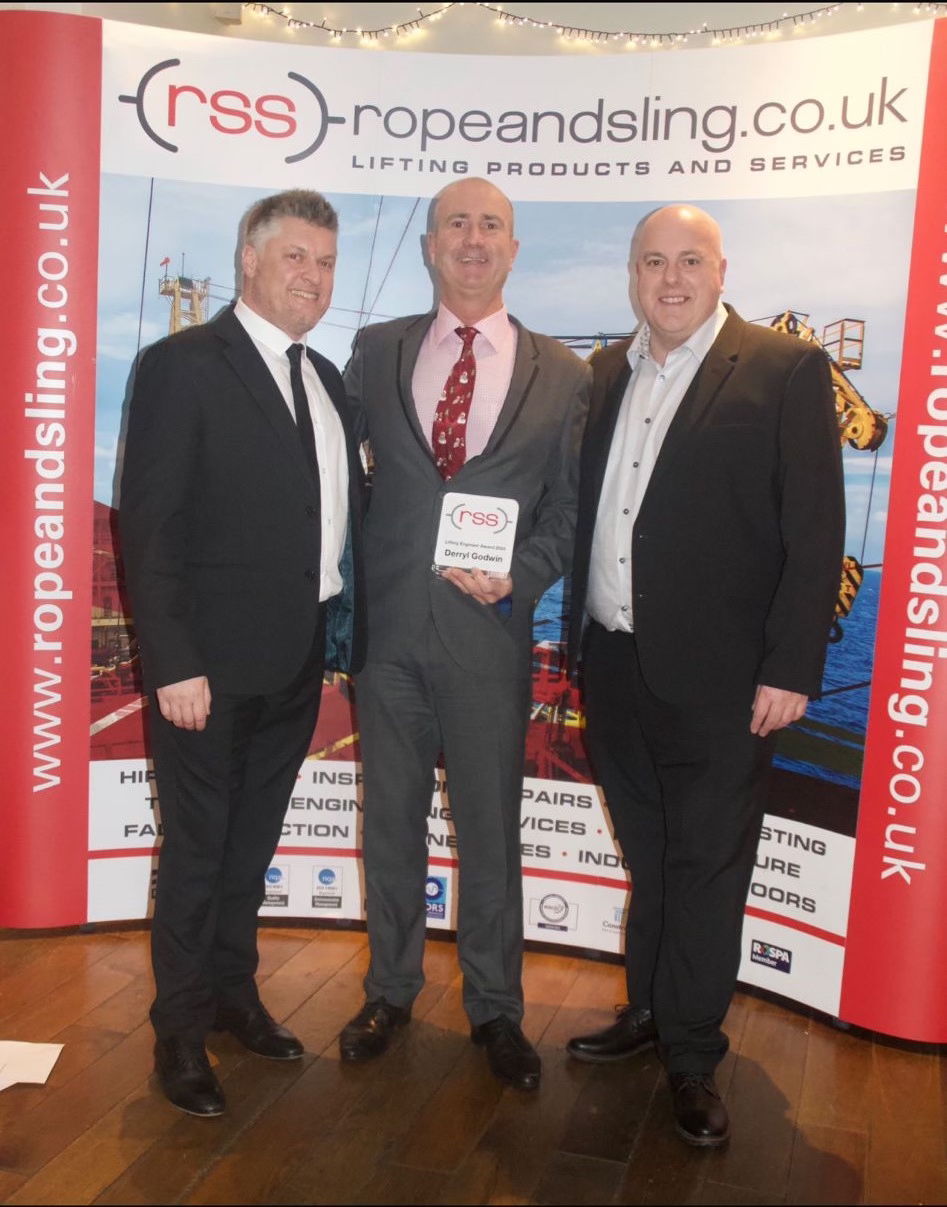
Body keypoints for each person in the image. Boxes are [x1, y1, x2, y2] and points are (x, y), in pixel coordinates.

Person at [566, 205, 844, 1145]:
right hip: (613, 663)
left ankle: (690, 1053)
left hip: (728, 684)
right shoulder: (607, 371)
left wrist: (791, 666)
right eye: (653, 261)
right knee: (651, 859)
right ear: (632, 274)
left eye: (689, 260)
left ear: (721, 271)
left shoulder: (782, 368)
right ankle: (646, 1010)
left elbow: (814, 531)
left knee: (707, 868)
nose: (670, 278)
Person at [119, 190, 365, 1117]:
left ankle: (232, 995)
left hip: (296, 661)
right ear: (249, 260)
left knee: (248, 847)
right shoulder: (182, 365)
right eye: (296, 256)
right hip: (206, 675)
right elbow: (152, 524)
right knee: (195, 853)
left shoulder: (328, 380)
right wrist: (175, 662)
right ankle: (178, 1034)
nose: (314, 277)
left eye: (327, 262)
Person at [340, 177, 590, 1090]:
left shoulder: (565, 373)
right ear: (430, 246)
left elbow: (569, 512)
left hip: (488, 637)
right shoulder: (374, 351)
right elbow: (335, 476)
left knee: (490, 831)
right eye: (456, 224)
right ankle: (390, 989)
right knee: (390, 824)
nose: (472, 240)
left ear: (513, 249)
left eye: (490, 226)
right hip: (388, 636)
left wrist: (518, 576)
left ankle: (495, 1008)